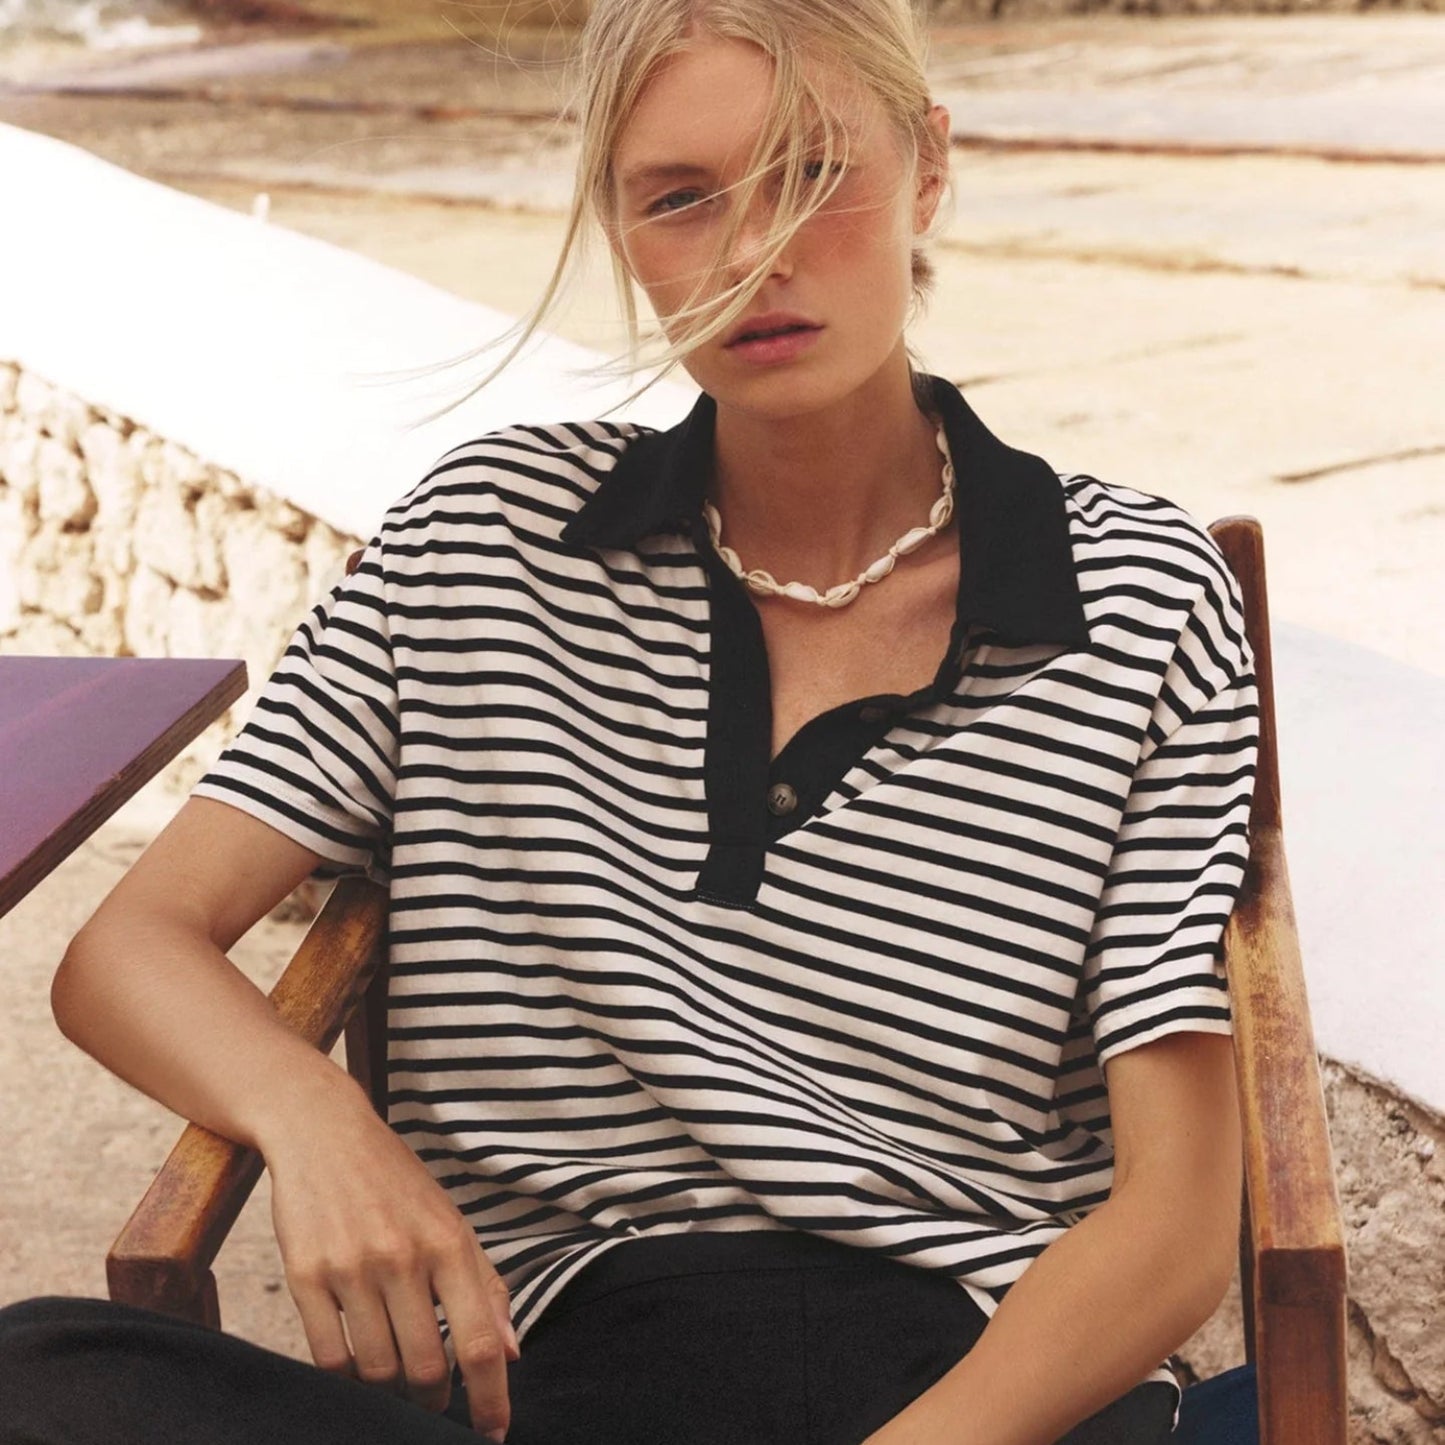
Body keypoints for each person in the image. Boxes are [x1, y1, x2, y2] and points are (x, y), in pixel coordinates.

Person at [0, 2, 1258, 1443]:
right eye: (679, 199)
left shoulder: (1134, 592)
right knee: (42, 1374)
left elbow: (1174, 1223)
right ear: (618, 227)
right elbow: (131, 946)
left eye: (811, 173)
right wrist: (317, 1120)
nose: (750, 253)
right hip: (556, 1372)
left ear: (927, 169)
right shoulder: (483, 540)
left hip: (973, 1379)